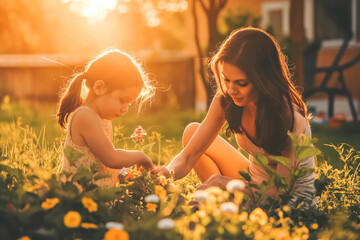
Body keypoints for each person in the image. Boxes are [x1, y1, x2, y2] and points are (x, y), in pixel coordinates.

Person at [155, 27, 316, 206]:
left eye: (241, 83)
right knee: (192, 132)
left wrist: (226, 184)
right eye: (226, 79)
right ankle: (216, 202)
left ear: (263, 79)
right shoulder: (227, 100)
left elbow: (277, 194)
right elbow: (188, 157)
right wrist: (166, 174)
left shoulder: (288, 119)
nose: (231, 90)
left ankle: (217, 203)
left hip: (288, 202)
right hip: (252, 180)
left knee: (207, 202)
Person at [57, 49, 155, 187]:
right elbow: (111, 158)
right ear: (100, 87)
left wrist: (128, 176)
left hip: (98, 199)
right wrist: (140, 156)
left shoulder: (102, 118)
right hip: (78, 201)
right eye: (123, 100)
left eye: (129, 103)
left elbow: (102, 164)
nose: (125, 109)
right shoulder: (85, 116)